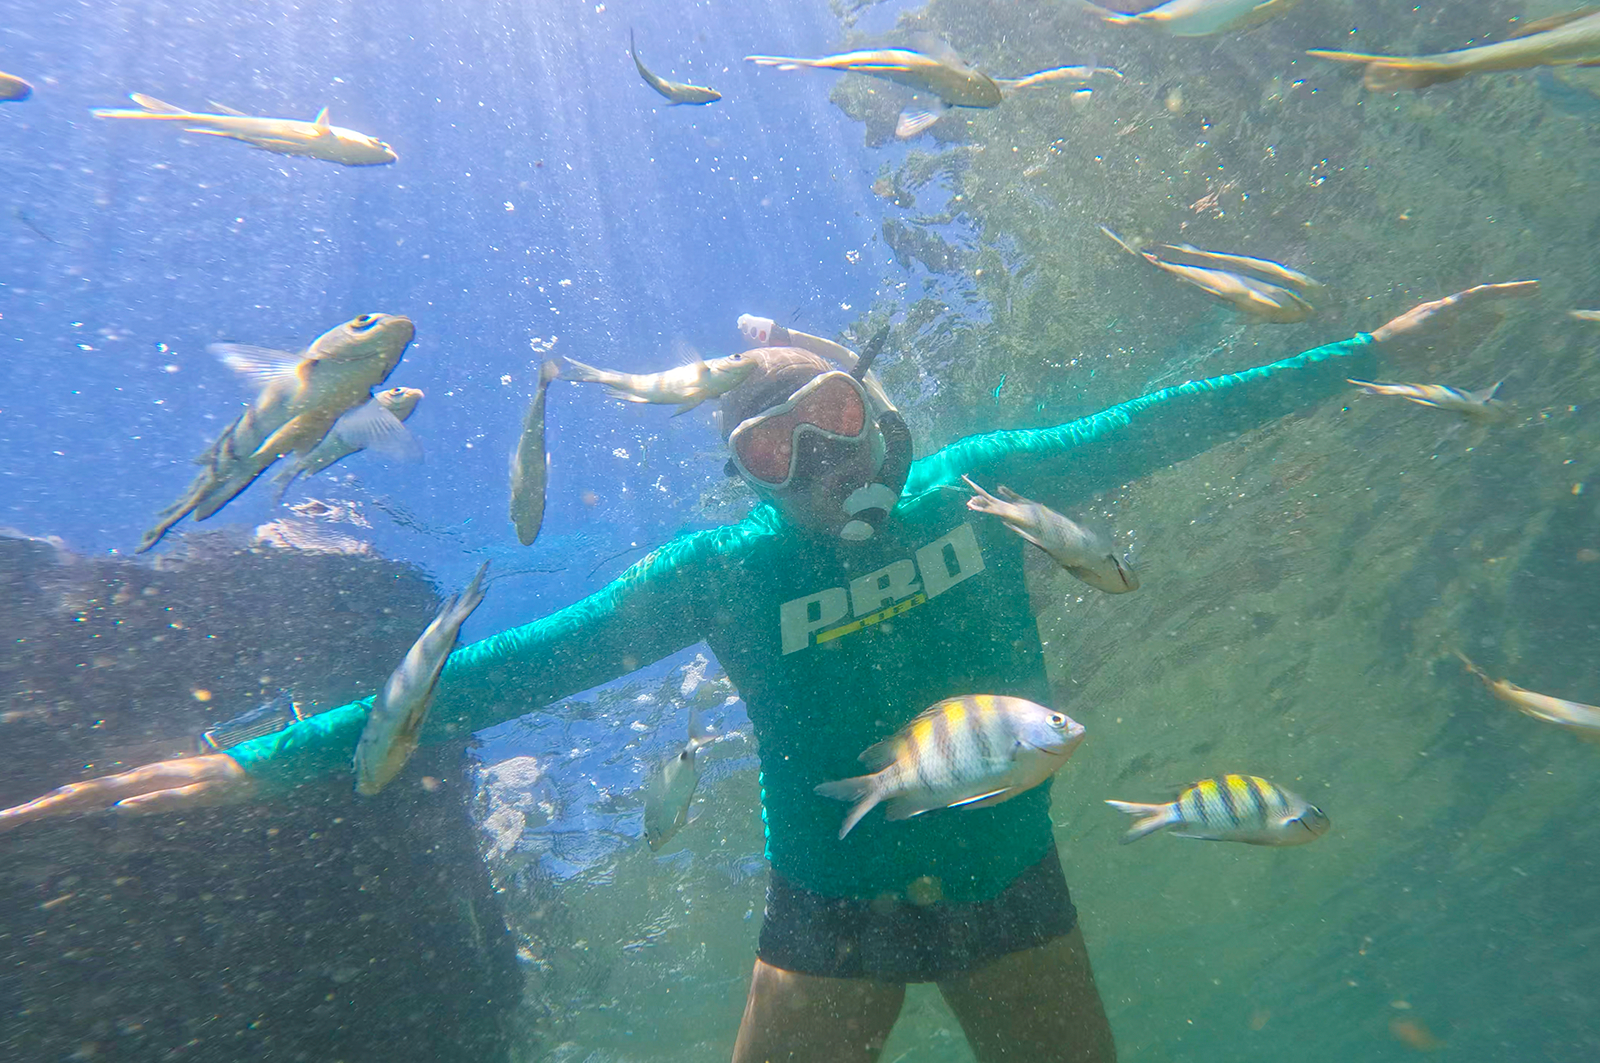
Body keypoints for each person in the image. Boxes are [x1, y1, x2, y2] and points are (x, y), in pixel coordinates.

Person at [0, 281, 1536, 1063]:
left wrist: (1369, 352)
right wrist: (255, 762)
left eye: (830, 419)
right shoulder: (719, 571)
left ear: (877, 407)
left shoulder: (981, 488)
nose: (814, 464)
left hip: (1014, 890)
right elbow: (499, 673)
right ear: (738, 471)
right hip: (827, 923)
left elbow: (1162, 423)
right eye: (768, 448)